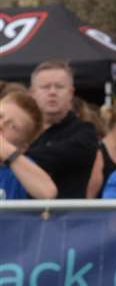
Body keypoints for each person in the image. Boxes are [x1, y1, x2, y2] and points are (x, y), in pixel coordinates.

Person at [24, 61, 98, 197]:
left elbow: (55, 158)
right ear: (32, 93)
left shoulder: (85, 133)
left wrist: (15, 156)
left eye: (59, 87)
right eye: (45, 87)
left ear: (71, 93)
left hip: (67, 216)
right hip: (19, 216)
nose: (52, 92)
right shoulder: (22, 131)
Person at [0, 85, 58, 200]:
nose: (1, 125)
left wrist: (7, 151)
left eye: (13, 127)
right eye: (0, 116)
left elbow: (48, 193)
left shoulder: (20, 168)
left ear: (23, 147)